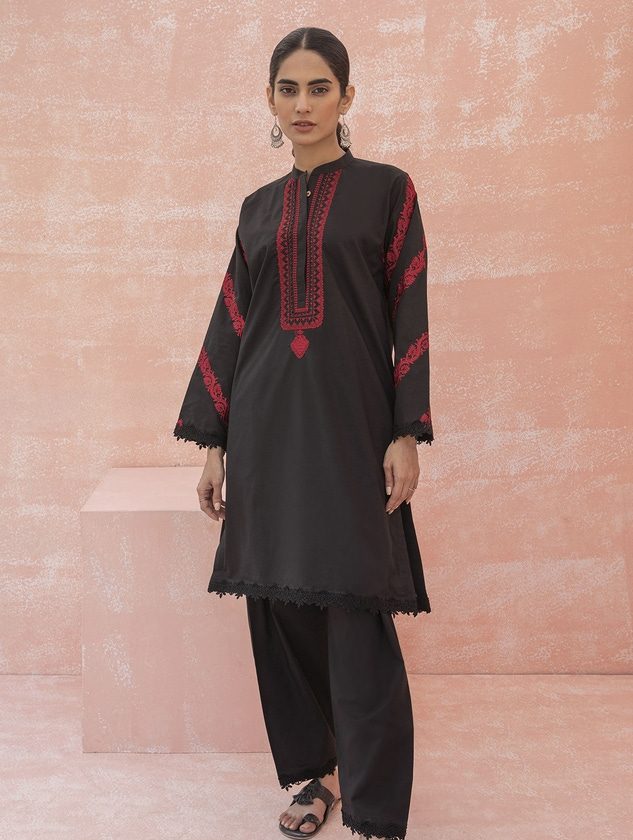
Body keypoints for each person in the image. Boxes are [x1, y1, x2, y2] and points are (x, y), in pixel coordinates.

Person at [173, 26, 434, 840]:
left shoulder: (388, 191)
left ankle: (375, 808)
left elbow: (409, 309)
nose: (303, 104)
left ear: (347, 96)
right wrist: (214, 443)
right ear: (269, 100)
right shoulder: (257, 209)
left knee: (356, 609)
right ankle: (314, 776)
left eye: (320, 87)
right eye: (288, 88)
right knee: (279, 605)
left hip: (351, 429)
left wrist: (406, 430)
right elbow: (231, 321)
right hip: (264, 429)